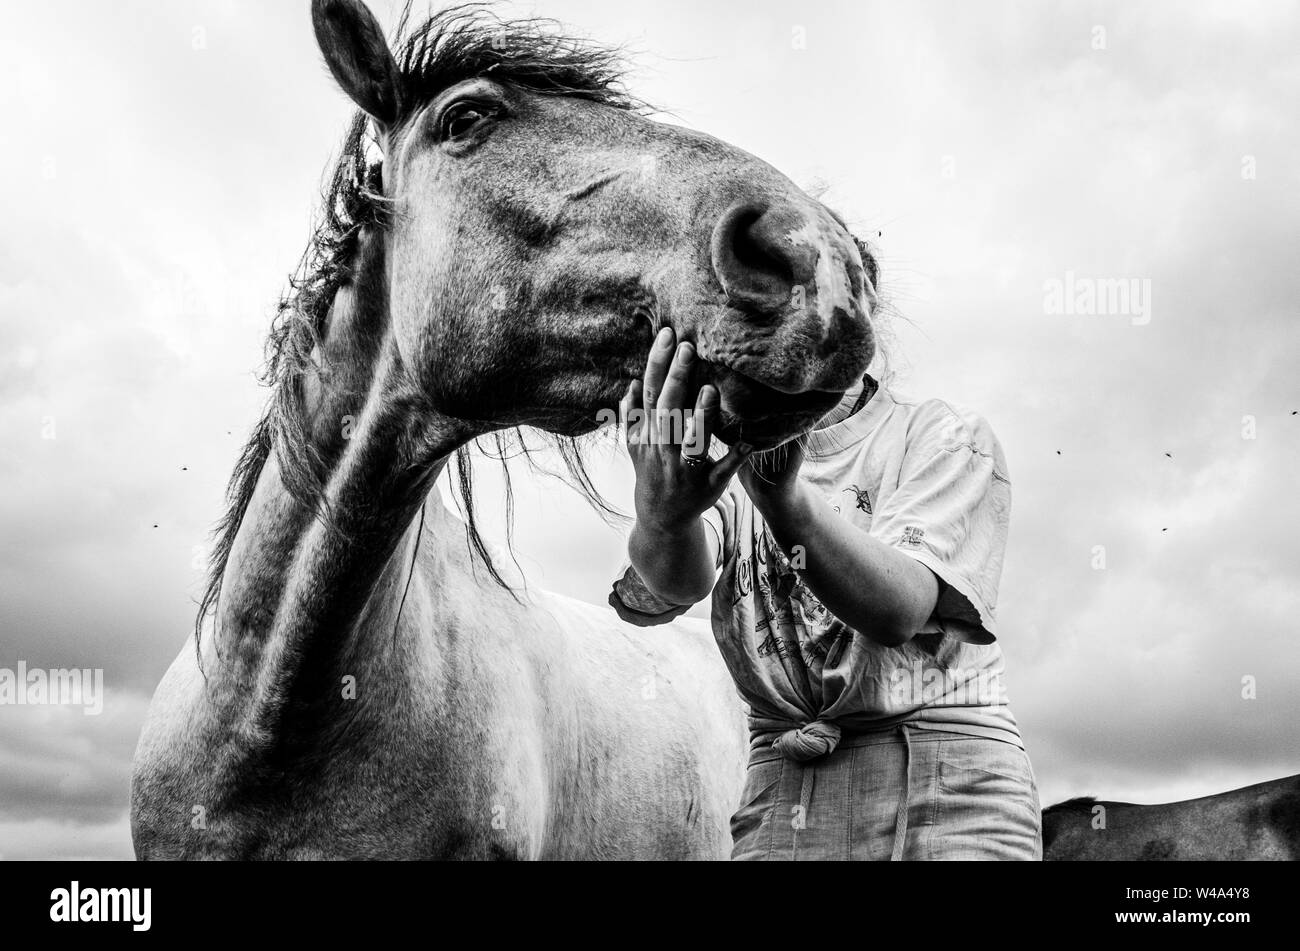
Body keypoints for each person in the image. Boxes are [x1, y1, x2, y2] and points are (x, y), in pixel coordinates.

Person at [610, 327, 1042, 860]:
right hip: (785, 789)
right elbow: (670, 588)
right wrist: (662, 517)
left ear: (857, 328)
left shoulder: (942, 434)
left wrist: (783, 501)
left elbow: (897, 610)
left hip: (944, 785)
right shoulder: (729, 461)